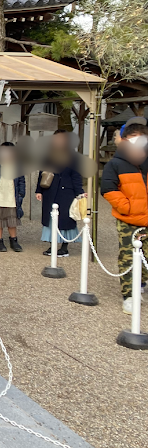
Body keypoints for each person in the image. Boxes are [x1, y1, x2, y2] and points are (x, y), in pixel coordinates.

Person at [101, 122, 148, 315]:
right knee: (128, 258)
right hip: (128, 220)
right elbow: (108, 189)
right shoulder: (115, 164)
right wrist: (126, 207)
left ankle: (140, 283)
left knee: (145, 259)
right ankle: (129, 295)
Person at [36, 131, 85, 258]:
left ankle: (64, 247)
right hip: (50, 189)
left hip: (66, 192)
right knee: (51, 217)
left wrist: (79, 192)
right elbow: (42, 173)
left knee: (65, 218)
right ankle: (52, 245)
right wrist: (39, 190)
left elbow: (76, 176)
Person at [0, 142, 26, 253]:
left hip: (12, 197)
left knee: (12, 221)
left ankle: (14, 240)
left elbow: (22, 181)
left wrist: (21, 194)